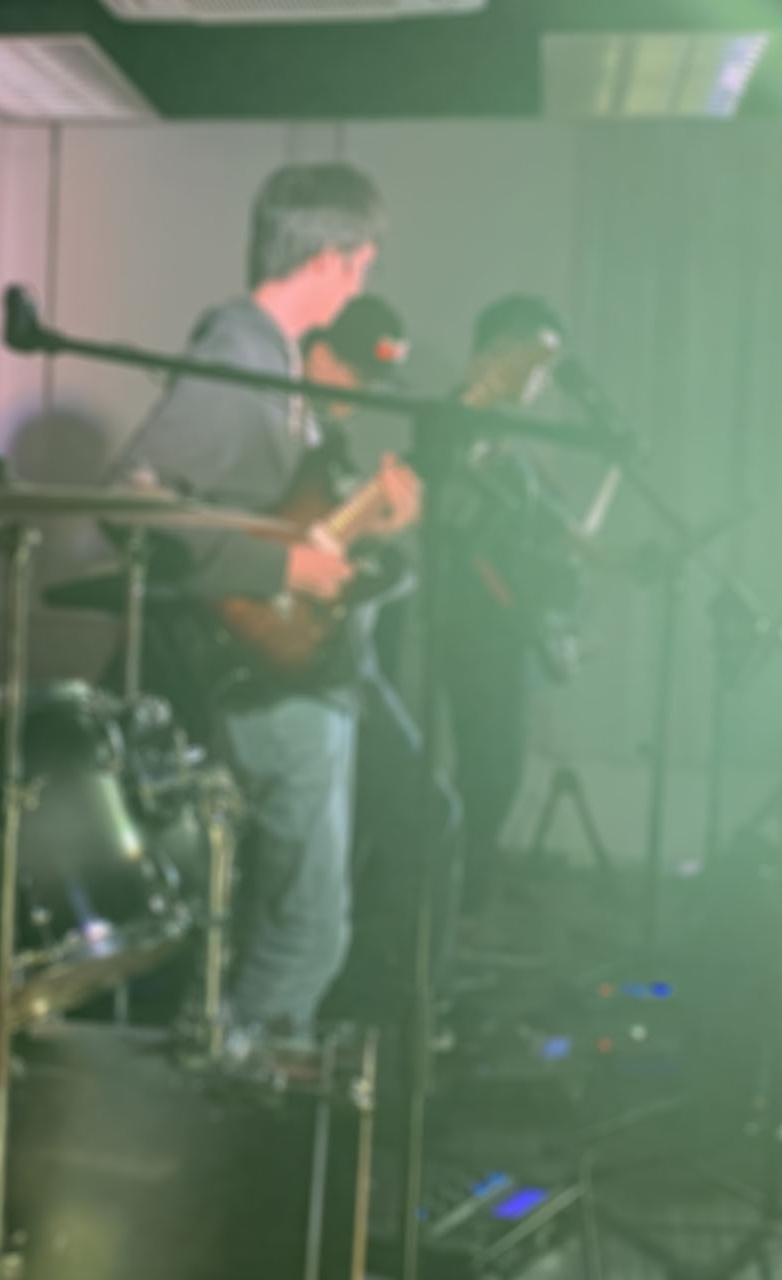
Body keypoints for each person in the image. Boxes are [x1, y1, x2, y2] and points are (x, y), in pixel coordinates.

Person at [110, 164, 421, 1044]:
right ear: (326, 258)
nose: (359, 287)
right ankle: (233, 1095)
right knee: (305, 937)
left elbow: (277, 516)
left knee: (291, 929)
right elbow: (130, 501)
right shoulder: (240, 356)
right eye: (359, 266)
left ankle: (230, 1083)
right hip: (267, 686)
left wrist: (368, 526)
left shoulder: (272, 362)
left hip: (286, 681)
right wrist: (282, 570)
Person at [429, 295, 583, 920]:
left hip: (506, 628)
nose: (542, 381)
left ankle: (463, 908)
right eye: (536, 363)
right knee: (476, 772)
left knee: (497, 772)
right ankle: (440, 909)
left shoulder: (516, 446)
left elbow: (548, 533)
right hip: (460, 624)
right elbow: (448, 496)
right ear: (499, 352)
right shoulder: (454, 420)